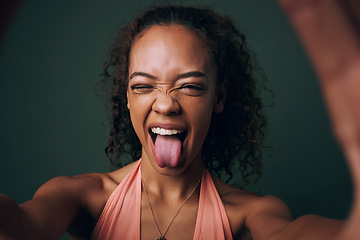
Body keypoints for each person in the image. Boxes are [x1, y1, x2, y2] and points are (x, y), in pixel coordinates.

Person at [1, 0, 360, 239]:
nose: (166, 105)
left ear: (218, 98)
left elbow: (294, 234)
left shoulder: (249, 215)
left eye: (189, 86)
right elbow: (18, 226)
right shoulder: (84, 197)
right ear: (127, 97)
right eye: (143, 86)